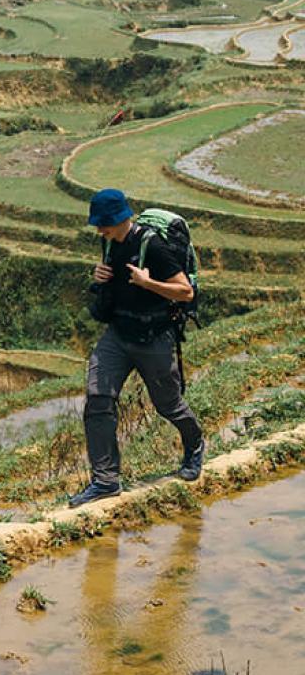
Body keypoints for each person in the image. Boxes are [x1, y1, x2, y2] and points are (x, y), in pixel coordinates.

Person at [69, 189, 205, 508]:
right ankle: (105, 481)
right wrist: (99, 276)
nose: (98, 230)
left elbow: (185, 292)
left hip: (153, 337)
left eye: (103, 224)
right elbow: (112, 283)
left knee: (168, 404)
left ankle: (195, 444)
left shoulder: (153, 247)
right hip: (118, 334)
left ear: (119, 220)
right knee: (98, 400)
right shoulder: (108, 243)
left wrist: (149, 283)